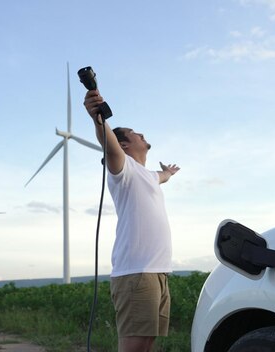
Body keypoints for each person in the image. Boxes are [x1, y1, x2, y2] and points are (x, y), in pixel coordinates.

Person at [84, 89, 180, 352]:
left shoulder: (148, 176)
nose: (141, 134)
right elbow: (108, 141)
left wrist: (168, 172)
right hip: (136, 273)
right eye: (136, 133)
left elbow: (162, 177)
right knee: (134, 347)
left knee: (146, 344)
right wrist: (97, 118)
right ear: (124, 145)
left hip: (157, 273)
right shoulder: (122, 168)